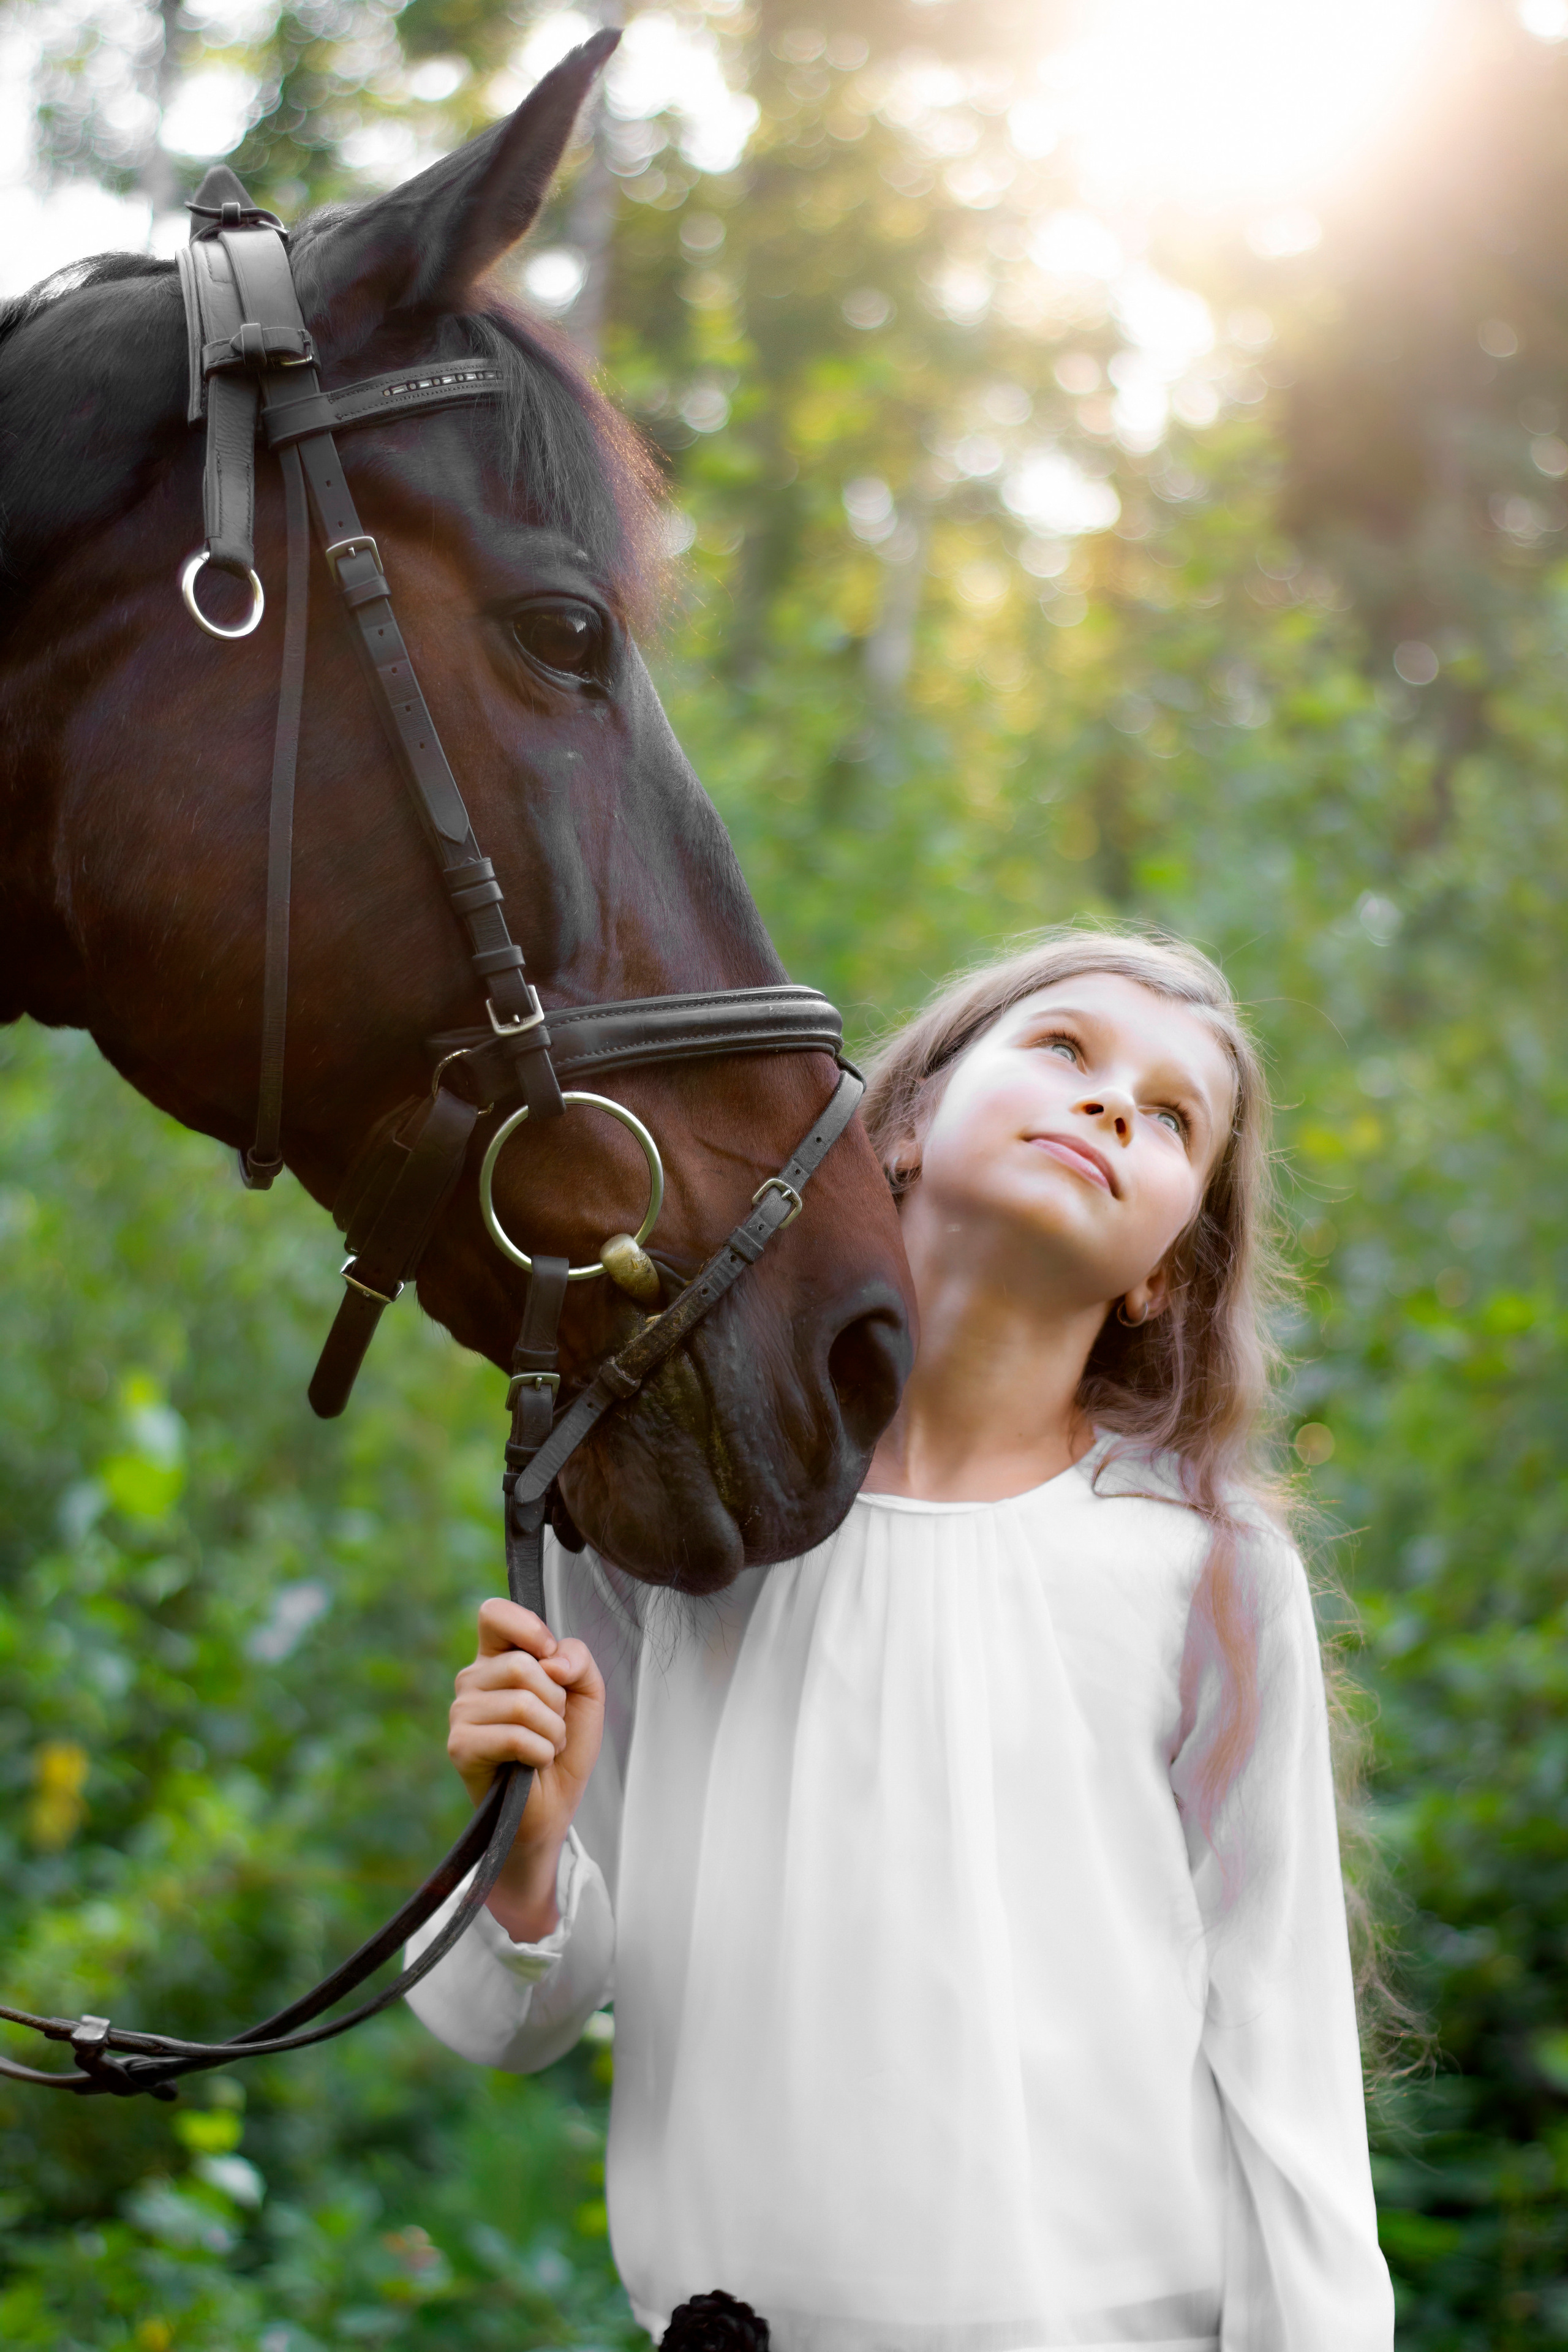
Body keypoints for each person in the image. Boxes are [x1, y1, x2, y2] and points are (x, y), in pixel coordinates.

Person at [407, 926, 1396, 2351]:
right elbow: (515, 2021)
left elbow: (1281, 2054)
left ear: (1163, 1275)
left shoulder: (1210, 1576)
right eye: (1062, 1049)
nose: (1112, 1102)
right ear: (910, 1122)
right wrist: (523, 1858)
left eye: (1170, 1115)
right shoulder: (681, 1509)